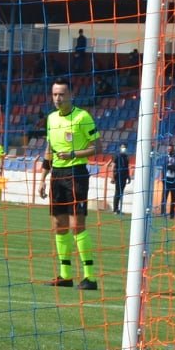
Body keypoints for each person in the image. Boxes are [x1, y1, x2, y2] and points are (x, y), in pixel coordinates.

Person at [38, 80, 101, 289]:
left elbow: (97, 147)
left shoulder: (83, 117)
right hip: (57, 175)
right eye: (55, 94)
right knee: (59, 226)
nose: (58, 98)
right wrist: (43, 178)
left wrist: (73, 154)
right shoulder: (51, 118)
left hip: (76, 174)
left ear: (71, 94)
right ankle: (65, 275)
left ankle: (90, 277)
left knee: (77, 226)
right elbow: (49, 149)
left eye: (62, 94)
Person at [158, 147, 175, 219]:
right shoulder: (165, 158)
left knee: (173, 198)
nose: (169, 150)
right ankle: (163, 213)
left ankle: (172, 214)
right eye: (168, 149)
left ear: (173, 150)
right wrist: (173, 167)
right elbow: (164, 165)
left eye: (170, 149)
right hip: (166, 181)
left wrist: (171, 166)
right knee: (164, 197)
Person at [109, 145, 131, 215]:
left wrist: (128, 176)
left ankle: (118, 209)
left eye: (125, 147)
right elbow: (113, 166)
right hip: (118, 176)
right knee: (117, 192)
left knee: (121, 192)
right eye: (122, 147)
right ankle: (115, 209)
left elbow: (127, 168)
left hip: (124, 177)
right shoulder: (117, 156)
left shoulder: (126, 157)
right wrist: (112, 177)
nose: (124, 149)